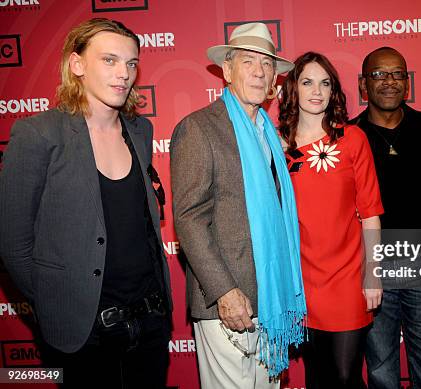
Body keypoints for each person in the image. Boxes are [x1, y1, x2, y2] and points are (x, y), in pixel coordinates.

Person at [0, 18, 172, 389]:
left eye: (130, 63)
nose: (123, 73)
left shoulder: (140, 132)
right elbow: (13, 244)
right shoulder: (39, 134)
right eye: (109, 60)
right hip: (83, 336)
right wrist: (61, 301)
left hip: (150, 323)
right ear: (77, 65)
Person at [170, 22, 306, 389]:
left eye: (267, 63)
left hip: (269, 300)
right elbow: (189, 219)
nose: (260, 72)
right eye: (249, 61)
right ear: (227, 70)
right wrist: (224, 291)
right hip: (228, 303)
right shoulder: (199, 128)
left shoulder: (270, 135)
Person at [278, 51, 383, 389]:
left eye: (325, 83)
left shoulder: (353, 139)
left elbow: (370, 214)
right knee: (319, 376)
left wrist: (374, 275)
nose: (317, 91)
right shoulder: (279, 147)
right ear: (293, 88)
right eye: (307, 82)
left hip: (349, 277)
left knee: (345, 375)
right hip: (302, 281)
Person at [351, 46, 421, 389]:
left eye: (397, 74)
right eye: (378, 74)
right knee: (379, 364)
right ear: (364, 85)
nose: (389, 82)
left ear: (407, 83)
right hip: (372, 266)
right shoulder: (350, 136)